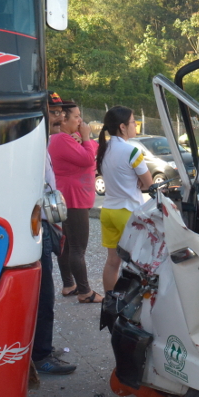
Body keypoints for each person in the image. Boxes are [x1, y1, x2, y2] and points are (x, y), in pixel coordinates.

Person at [31, 91, 77, 375]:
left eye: (60, 112)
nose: (58, 117)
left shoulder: (42, 142)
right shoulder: (32, 144)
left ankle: (39, 348)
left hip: (43, 225)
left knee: (43, 294)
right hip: (36, 227)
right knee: (43, 295)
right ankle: (40, 355)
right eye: (53, 112)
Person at [48, 102, 103, 303]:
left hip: (69, 195)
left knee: (68, 244)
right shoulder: (63, 139)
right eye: (77, 117)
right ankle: (85, 291)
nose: (81, 121)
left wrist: (83, 140)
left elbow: (95, 149)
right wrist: (86, 138)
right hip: (74, 198)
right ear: (63, 119)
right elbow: (89, 159)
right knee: (78, 247)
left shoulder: (62, 138)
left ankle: (69, 284)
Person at [97, 106, 152, 291]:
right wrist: (138, 183)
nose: (136, 125)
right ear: (122, 126)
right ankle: (133, 303)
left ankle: (110, 302)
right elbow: (149, 184)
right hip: (128, 212)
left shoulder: (104, 149)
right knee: (137, 263)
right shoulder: (132, 151)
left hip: (108, 210)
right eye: (133, 122)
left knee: (112, 262)